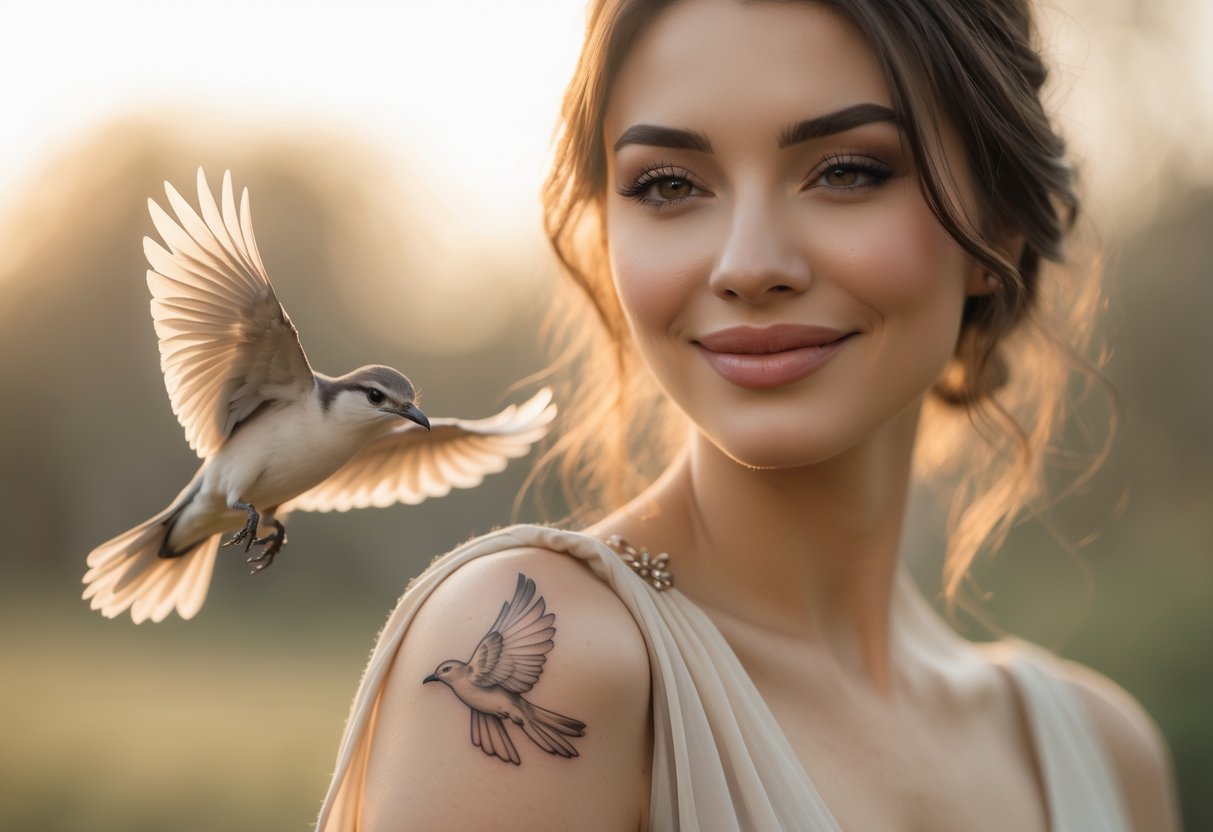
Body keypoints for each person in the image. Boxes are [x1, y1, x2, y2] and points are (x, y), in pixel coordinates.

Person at [317, 0, 1180, 829]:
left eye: (846, 172)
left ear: (999, 223)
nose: (748, 265)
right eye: (668, 185)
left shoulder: (1107, 758)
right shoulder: (575, 658)